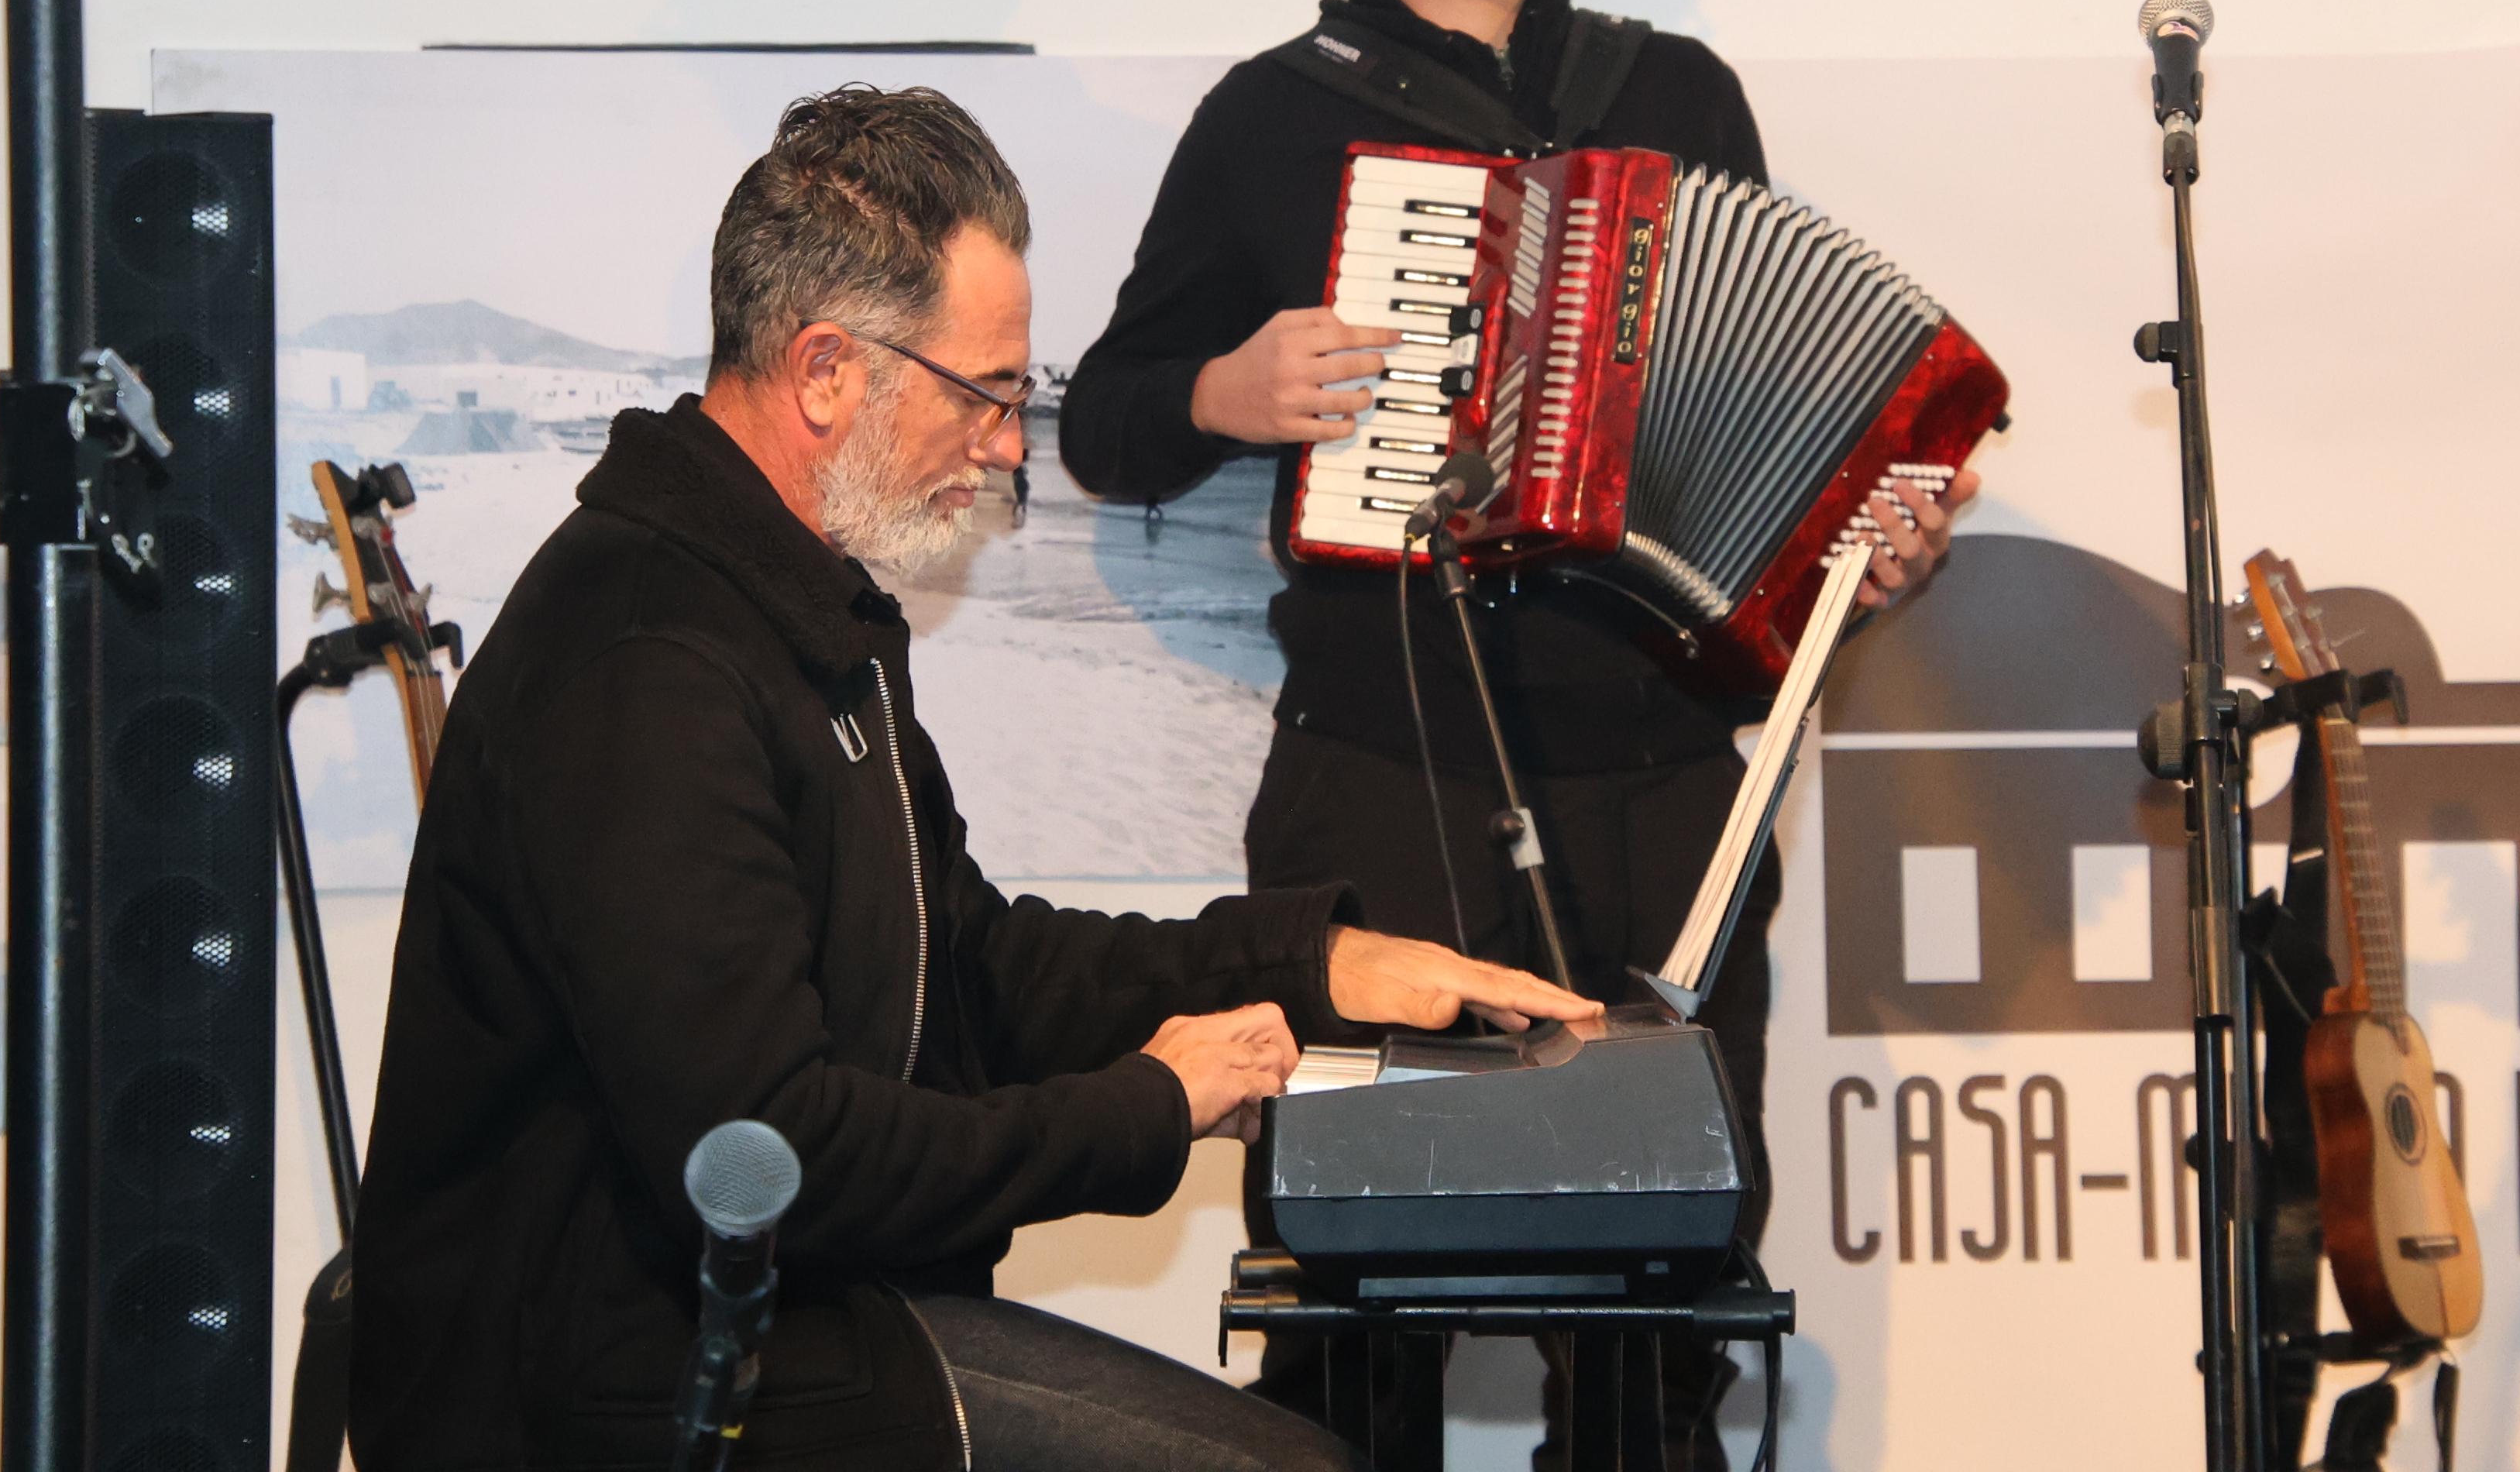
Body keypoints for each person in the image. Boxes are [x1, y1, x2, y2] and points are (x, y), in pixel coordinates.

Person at [346, 84, 1595, 1472]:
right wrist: (1145, 1103)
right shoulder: (650, 663)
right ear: (827, 370)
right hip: (609, 1395)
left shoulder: (804, 610)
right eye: (986, 394)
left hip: (775, 1327)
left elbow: (975, 970)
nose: (1011, 442)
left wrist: (1308, 961)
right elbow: (775, 1157)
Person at [1059, 0, 1975, 1469]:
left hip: (1659, 797)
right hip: (1376, 787)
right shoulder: (1276, 117)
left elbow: (1773, 419)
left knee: (1663, 1329)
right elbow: (1105, 422)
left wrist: (1865, 541)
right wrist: (1230, 390)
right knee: (1346, 1320)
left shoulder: (1676, 97)